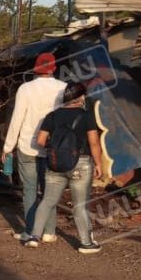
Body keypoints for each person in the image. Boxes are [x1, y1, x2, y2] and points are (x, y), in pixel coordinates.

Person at [26, 82, 105, 254]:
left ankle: (34, 237)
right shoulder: (86, 116)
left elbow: (40, 140)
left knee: (47, 200)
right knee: (80, 205)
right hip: (81, 164)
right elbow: (94, 143)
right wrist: (99, 164)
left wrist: (56, 149)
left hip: (54, 164)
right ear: (81, 97)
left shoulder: (52, 115)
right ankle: (86, 244)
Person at [2, 52, 67, 242]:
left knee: (29, 189)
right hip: (52, 148)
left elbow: (17, 119)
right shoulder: (63, 88)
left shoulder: (25, 88)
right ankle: (49, 231)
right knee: (50, 190)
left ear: (36, 69)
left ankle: (30, 231)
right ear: (54, 68)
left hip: (27, 146)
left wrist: (8, 147)